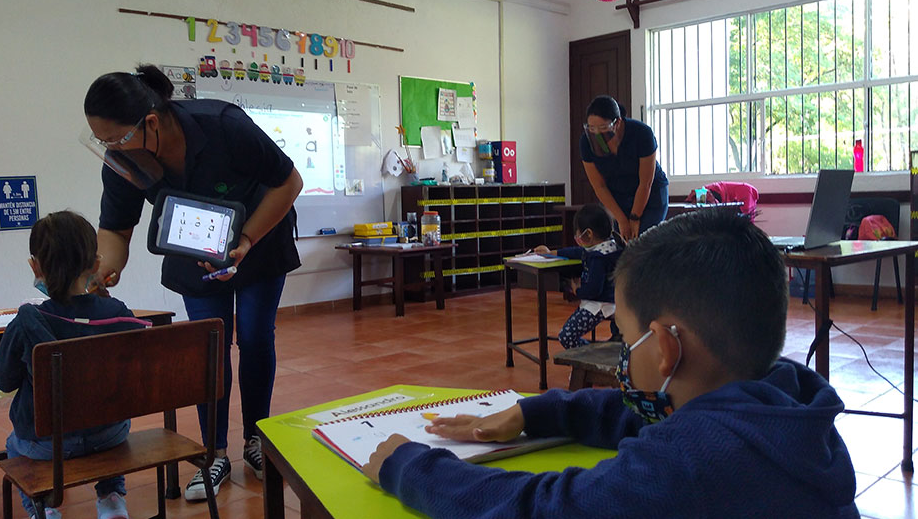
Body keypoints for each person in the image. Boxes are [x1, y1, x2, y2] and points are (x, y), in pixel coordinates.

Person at [361, 208, 859, 518]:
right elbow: (644, 415)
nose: (623, 353)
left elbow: (541, 510)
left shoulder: (689, 465)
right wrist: (536, 413)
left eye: (624, 336)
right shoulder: (782, 401)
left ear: (665, 348)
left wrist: (410, 466)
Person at [82, 64, 303, 501]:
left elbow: (289, 182)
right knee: (210, 346)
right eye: (101, 139)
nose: (110, 148)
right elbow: (116, 230)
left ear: (149, 122)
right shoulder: (123, 160)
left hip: (259, 236)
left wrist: (244, 239)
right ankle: (213, 452)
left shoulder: (222, 125)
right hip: (192, 252)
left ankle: (257, 439)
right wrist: (102, 271)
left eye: (115, 138)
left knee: (256, 338)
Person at [0, 211, 151, 519]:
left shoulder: (27, 321)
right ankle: (112, 499)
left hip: (44, 445)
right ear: (95, 265)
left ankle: (44, 509)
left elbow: (4, 381)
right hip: (110, 434)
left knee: (14, 444)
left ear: (35, 266)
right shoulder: (118, 313)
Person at [579, 95, 669, 241]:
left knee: (643, 240)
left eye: (602, 128)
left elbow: (645, 183)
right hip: (616, 195)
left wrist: (634, 218)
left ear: (617, 123)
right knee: (618, 241)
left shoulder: (641, 134)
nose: (597, 133)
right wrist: (621, 219)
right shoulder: (587, 142)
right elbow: (599, 186)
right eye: (591, 128)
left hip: (650, 194)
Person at [534, 204, 622, 348]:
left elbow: (594, 290)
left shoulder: (598, 259)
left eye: (578, 233)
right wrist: (551, 253)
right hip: (612, 302)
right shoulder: (608, 247)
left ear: (589, 234)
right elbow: (577, 252)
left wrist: (577, 291)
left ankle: (590, 356)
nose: (576, 237)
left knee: (566, 337)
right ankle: (592, 355)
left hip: (599, 305)